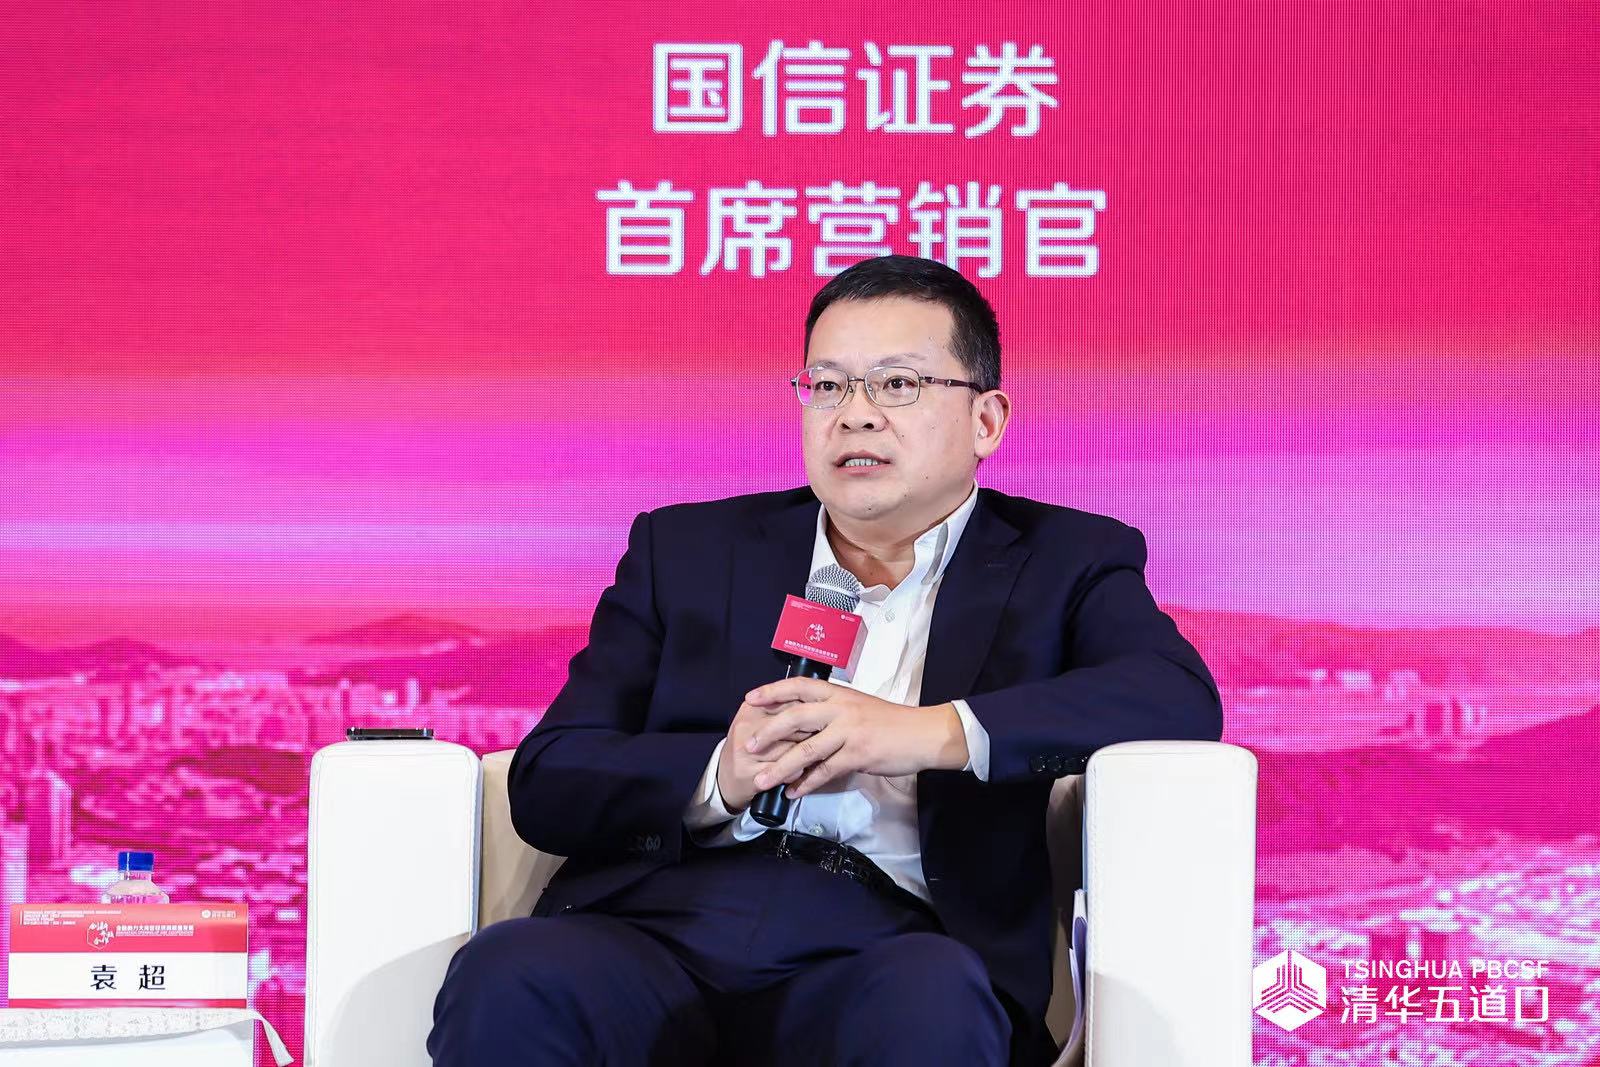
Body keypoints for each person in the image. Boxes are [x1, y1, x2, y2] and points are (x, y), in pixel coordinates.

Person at [427, 254, 1223, 1066]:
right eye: (829, 385)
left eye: (898, 384)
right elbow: (551, 774)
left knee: (930, 1005)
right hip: (662, 925)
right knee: (509, 972)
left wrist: (924, 732)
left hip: (891, 945)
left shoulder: (1064, 558)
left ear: (986, 420)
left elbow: (1175, 697)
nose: (855, 416)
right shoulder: (689, 549)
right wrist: (720, 773)